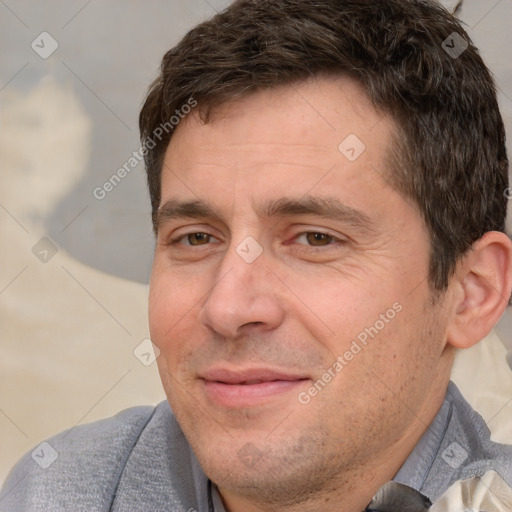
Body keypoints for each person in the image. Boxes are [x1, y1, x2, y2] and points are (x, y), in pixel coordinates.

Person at [2, 0, 512, 510]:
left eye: (315, 239)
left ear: (472, 293)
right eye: (196, 238)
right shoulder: (51, 492)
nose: (227, 309)